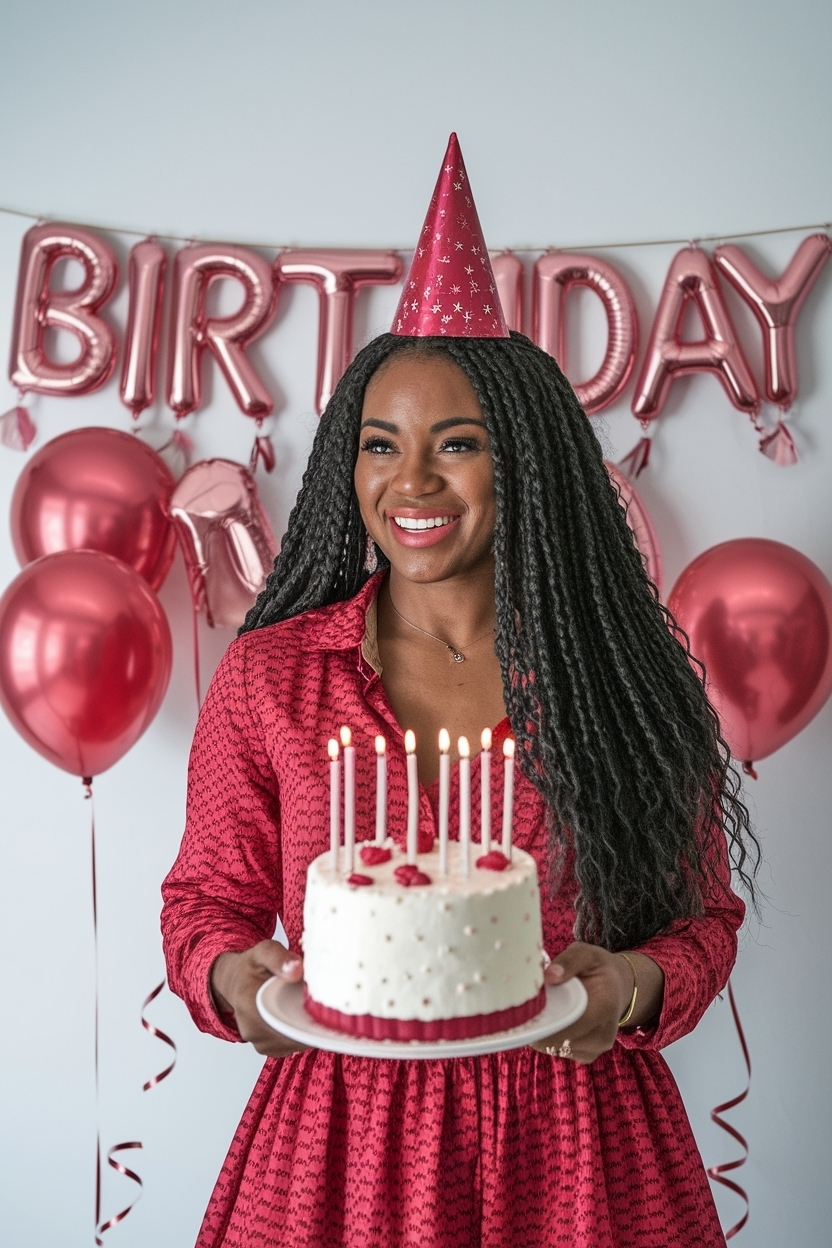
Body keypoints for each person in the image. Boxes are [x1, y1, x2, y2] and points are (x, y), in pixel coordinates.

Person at [161, 137, 756, 1247]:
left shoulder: (617, 680)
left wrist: (625, 986)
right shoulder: (273, 678)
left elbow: (703, 923)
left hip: (580, 1149)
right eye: (380, 445)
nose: (412, 483)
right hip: (340, 1147)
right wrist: (236, 983)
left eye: (459, 445)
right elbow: (202, 904)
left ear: (523, 462)